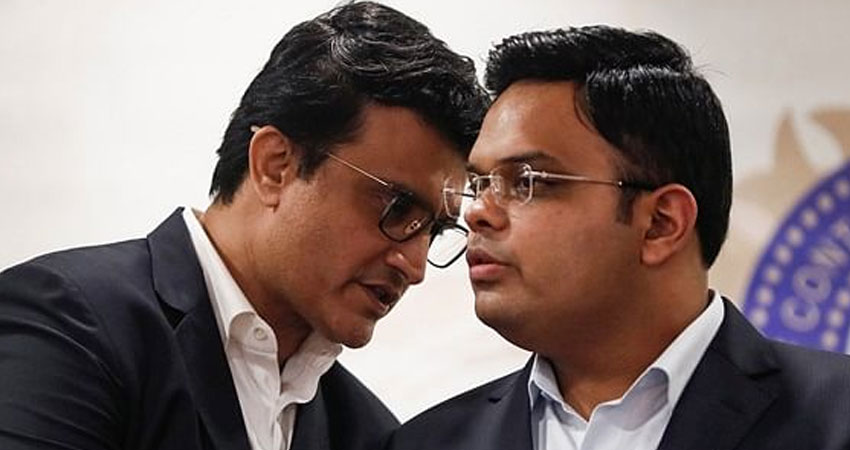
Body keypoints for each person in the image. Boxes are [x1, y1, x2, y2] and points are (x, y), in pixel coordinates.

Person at [0, 2, 488, 450]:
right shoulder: (71, 323)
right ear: (275, 166)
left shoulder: (366, 431)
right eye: (397, 208)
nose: (415, 266)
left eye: (434, 230)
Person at [387, 26, 850, 450]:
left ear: (662, 223)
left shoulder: (834, 417)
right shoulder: (427, 443)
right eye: (480, 183)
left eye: (527, 181)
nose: (477, 212)